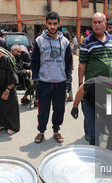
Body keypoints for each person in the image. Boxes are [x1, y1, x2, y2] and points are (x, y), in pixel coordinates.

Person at [71, 71, 112, 163]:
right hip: (89, 103)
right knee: (95, 132)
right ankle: (95, 156)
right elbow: (83, 87)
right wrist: (75, 107)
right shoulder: (101, 83)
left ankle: (107, 155)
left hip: (105, 108)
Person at [31, 11, 73, 143]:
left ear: (59, 24)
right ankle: (41, 131)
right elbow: (35, 62)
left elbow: (69, 62)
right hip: (44, 82)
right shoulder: (39, 41)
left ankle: (56, 130)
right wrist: (36, 78)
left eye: (55, 24)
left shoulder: (65, 42)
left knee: (59, 109)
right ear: (46, 24)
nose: (52, 26)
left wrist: (68, 80)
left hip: (60, 82)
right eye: (50, 23)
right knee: (43, 109)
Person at [79, 12, 112, 141]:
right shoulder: (87, 42)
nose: (97, 25)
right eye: (94, 22)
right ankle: (88, 132)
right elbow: (82, 64)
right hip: (91, 85)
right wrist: (81, 83)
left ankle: (102, 127)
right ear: (92, 24)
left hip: (107, 85)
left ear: (105, 24)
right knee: (89, 112)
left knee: (105, 108)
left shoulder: (111, 40)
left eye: (99, 22)